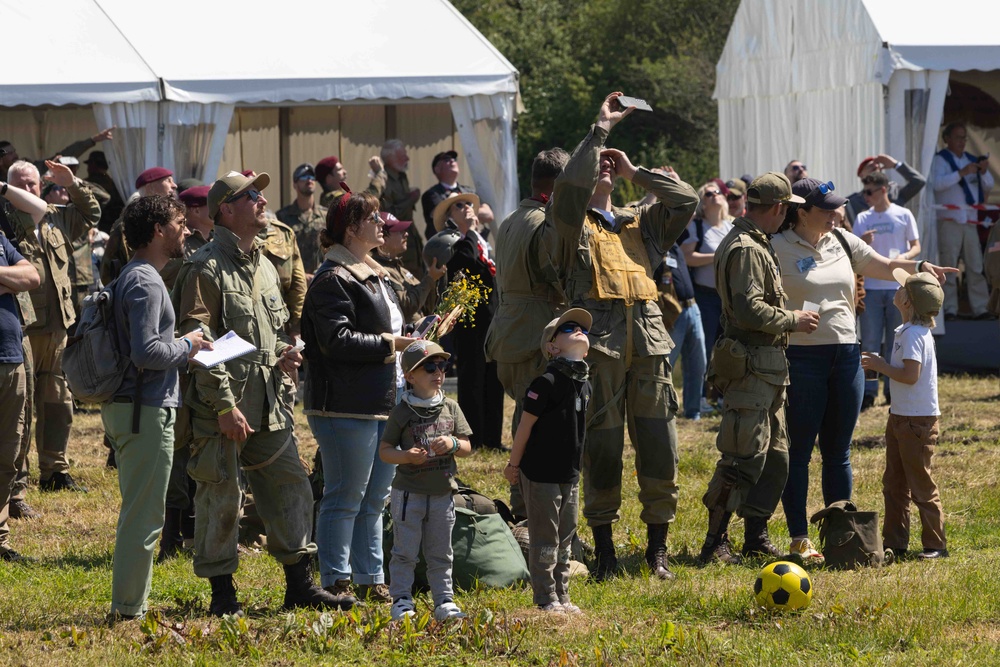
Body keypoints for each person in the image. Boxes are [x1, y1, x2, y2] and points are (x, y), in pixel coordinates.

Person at [174, 170, 352, 616]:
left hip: (270, 402)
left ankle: (299, 585)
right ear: (225, 210)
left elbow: (267, 333)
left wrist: (284, 357)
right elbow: (200, 343)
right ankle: (222, 595)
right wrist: (224, 406)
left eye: (260, 193)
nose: (261, 199)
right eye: (250, 195)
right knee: (222, 496)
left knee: (291, 485)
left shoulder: (268, 267)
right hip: (225, 405)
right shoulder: (204, 268)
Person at [548, 92, 699, 581]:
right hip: (602, 350)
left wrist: (634, 171)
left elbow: (687, 199)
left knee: (660, 446)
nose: (604, 170)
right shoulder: (568, 224)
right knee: (603, 447)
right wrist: (600, 132)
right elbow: (570, 186)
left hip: (650, 345)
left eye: (608, 167)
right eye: (599, 167)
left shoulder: (641, 221)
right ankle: (606, 547)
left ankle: (658, 548)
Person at [772, 177, 956, 564]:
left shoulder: (841, 240)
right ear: (801, 212)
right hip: (801, 359)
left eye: (837, 208)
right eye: (827, 210)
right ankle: (800, 538)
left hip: (847, 357)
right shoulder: (776, 247)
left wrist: (920, 266)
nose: (837, 214)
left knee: (838, 452)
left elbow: (888, 266)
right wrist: (788, 319)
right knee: (800, 453)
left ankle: (842, 536)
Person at [697, 172, 817, 566]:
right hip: (750, 364)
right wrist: (791, 319)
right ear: (780, 209)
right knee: (742, 455)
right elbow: (749, 308)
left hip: (767, 367)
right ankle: (715, 541)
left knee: (775, 456)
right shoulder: (748, 247)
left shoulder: (756, 242)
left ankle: (755, 536)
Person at [103, 195, 212, 620]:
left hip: (135, 408)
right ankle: (128, 610)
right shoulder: (146, 282)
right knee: (144, 516)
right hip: (145, 410)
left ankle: (131, 604)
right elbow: (146, 351)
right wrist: (190, 345)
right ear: (156, 232)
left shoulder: (135, 276)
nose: (186, 230)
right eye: (178, 223)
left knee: (141, 511)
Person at [301, 189, 411, 604]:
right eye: (373, 217)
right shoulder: (332, 279)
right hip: (344, 403)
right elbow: (336, 340)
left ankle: (371, 577)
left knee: (375, 498)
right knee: (345, 494)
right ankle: (334, 579)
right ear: (351, 229)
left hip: (384, 399)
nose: (382, 223)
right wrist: (394, 343)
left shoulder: (374, 273)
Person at [8, 159, 99, 494]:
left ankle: (55, 470)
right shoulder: (5, 223)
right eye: (19, 184)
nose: (26, 190)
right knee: (22, 405)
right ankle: (17, 474)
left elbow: (91, 215)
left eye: (32, 184)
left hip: (59, 325)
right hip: (24, 328)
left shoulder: (55, 218)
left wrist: (72, 184)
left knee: (58, 401)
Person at [505, 309, 591, 613]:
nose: (580, 330)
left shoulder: (583, 382)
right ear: (552, 347)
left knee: (566, 535)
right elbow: (524, 427)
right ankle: (545, 597)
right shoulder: (546, 382)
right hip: (540, 473)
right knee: (545, 537)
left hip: (570, 474)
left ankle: (562, 594)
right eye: (569, 328)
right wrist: (513, 466)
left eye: (583, 328)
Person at [379, 340, 472, 622]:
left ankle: (444, 601)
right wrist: (406, 456)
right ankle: (402, 601)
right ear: (410, 376)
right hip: (409, 495)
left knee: (440, 552)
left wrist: (453, 442)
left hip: (443, 493)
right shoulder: (402, 411)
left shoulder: (451, 407)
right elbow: (385, 452)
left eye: (442, 366)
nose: (438, 372)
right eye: (428, 367)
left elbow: (468, 446)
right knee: (405, 551)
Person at [861, 269, 948, 560]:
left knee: (920, 484)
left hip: (917, 421)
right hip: (900, 416)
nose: (895, 291)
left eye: (901, 289)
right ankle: (895, 543)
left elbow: (910, 375)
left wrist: (880, 365)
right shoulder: (905, 332)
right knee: (894, 483)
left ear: (908, 302)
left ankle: (936, 545)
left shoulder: (914, 336)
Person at [486, 148, 569, 437]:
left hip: (512, 330)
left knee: (528, 411)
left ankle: (521, 481)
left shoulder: (511, 219)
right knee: (539, 420)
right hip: (534, 334)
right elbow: (559, 278)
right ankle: (524, 483)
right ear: (560, 184)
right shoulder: (543, 223)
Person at [432, 192, 505, 451]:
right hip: (471, 324)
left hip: (492, 319)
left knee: (494, 378)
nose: (467, 209)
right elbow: (469, 262)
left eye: (468, 205)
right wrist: (472, 233)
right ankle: (472, 438)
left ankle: (493, 439)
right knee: (472, 379)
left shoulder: (480, 241)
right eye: (458, 206)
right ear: (451, 216)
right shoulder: (454, 244)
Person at [854, 171, 921, 409]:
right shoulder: (863, 217)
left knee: (897, 340)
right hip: (871, 288)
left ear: (883, 190)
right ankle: (869, 392)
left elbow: (916, 246)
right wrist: (862, 240)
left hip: (898, 286)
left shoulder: (903, 214)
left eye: (869, 192)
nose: (866, 196)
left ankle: (894, 390)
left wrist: (904, 257)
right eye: (864, 192)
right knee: (871, 340)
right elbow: (853, 249)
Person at [0, 192, 41, 560]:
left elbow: (32, 276)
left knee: (9, 452)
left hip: (10, 357)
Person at [930, 122, 994, 320]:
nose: (962, 141)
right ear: (947, 139)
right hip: (949, 220)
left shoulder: (971, 160)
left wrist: (982, 172)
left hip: (969, 221)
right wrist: (961, 173)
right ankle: (949, 308)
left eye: (964, 137)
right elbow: (936, 184)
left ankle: (981, 307)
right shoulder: (940, 160)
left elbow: (989, 185)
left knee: (975, 266)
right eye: (958, 137)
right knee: (948, 265)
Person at [681, 181, 736, 403]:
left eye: (718, 192)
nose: (714, 195)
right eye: (708, 193)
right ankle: (701, 397)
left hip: (728, 297)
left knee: (728, 347)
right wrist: (718, 257)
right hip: (704, 296)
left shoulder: (731, 227)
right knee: (703, 349)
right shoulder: (697, 226)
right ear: (703, 202)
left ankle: (723, 395)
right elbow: (687, 258)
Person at [101, 167, 179, 284]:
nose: (174, 185)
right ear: (150, 187)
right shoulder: (127, 225)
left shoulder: (176, 221)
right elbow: (108, 273)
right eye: (168, 181)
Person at [372, 212, 445, 323]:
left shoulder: (401, 269)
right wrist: (430, 278)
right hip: (407, 337)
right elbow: (406, 307)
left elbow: (427, 306)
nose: (406, 234)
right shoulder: (381, 271)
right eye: (399, 231)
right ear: (384, 239)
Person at [378, 140, 425, 279]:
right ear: (390, 157)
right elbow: (388, 216)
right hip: (396, 242)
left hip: (410, 239)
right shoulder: (384, 180)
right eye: (402, 155)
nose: (407, 158)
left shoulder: (401, 176)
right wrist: (410, 199)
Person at [276, 163, 328, 279]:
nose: (309, 180)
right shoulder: (282, 216)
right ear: (295, 184)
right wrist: (301, 276)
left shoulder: (326, 215)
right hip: (294, 280)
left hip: (322, 278)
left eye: (311, 177)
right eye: (303, 177)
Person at [844, 154, 925, 226]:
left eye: (877, 166)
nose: (875, 166)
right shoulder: (853, 202)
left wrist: (895, 165)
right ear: (861, 175)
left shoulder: (894, 191)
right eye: (870, 166)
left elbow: (918, 182)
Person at [421, 151, 477, 238]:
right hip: (445, 244)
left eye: (454, 159)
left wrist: (456, 209)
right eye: (446, 159)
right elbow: (440, 214)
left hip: (471, 240)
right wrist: (472, 210)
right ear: (437, 169)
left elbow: (488, 214)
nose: (452, 161)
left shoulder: (469, 190)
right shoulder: (431, 194)